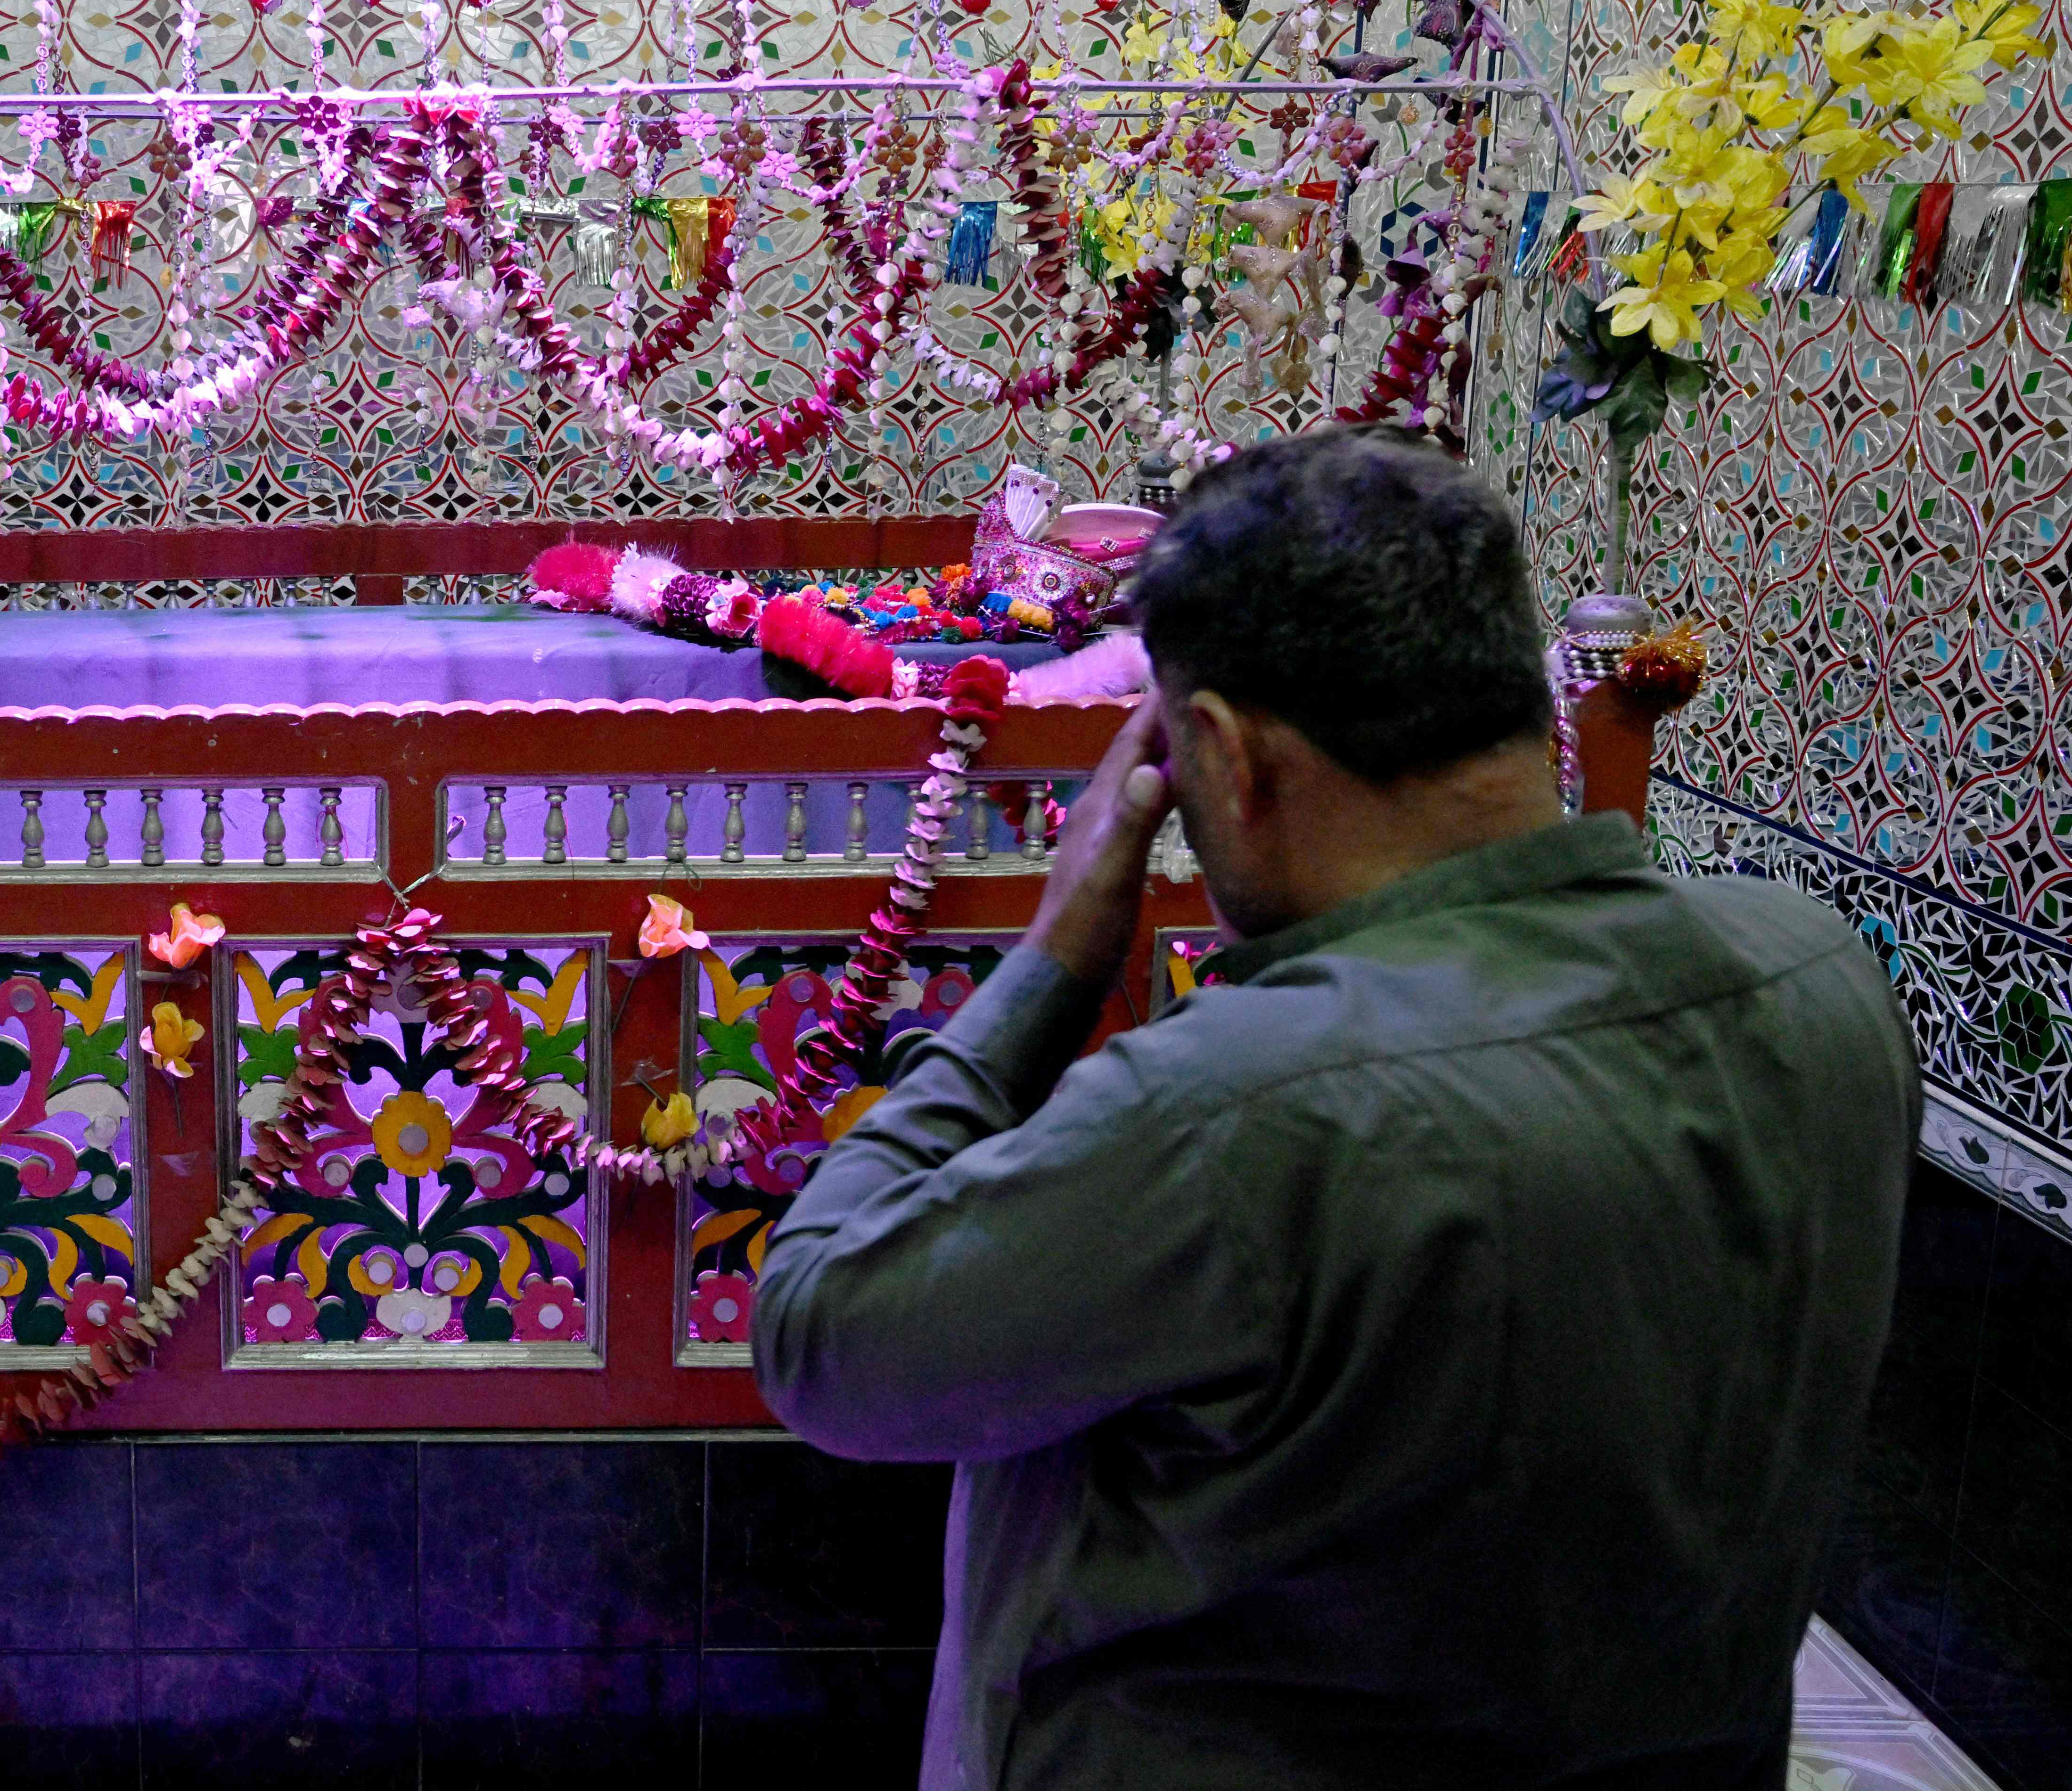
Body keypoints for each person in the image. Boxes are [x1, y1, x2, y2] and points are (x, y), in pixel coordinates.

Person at [753, 427, 1915, 1790]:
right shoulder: (1818, 975)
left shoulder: (1249, 1102)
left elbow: (826, 1337)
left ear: (1225, 761)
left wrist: (1054, 957)